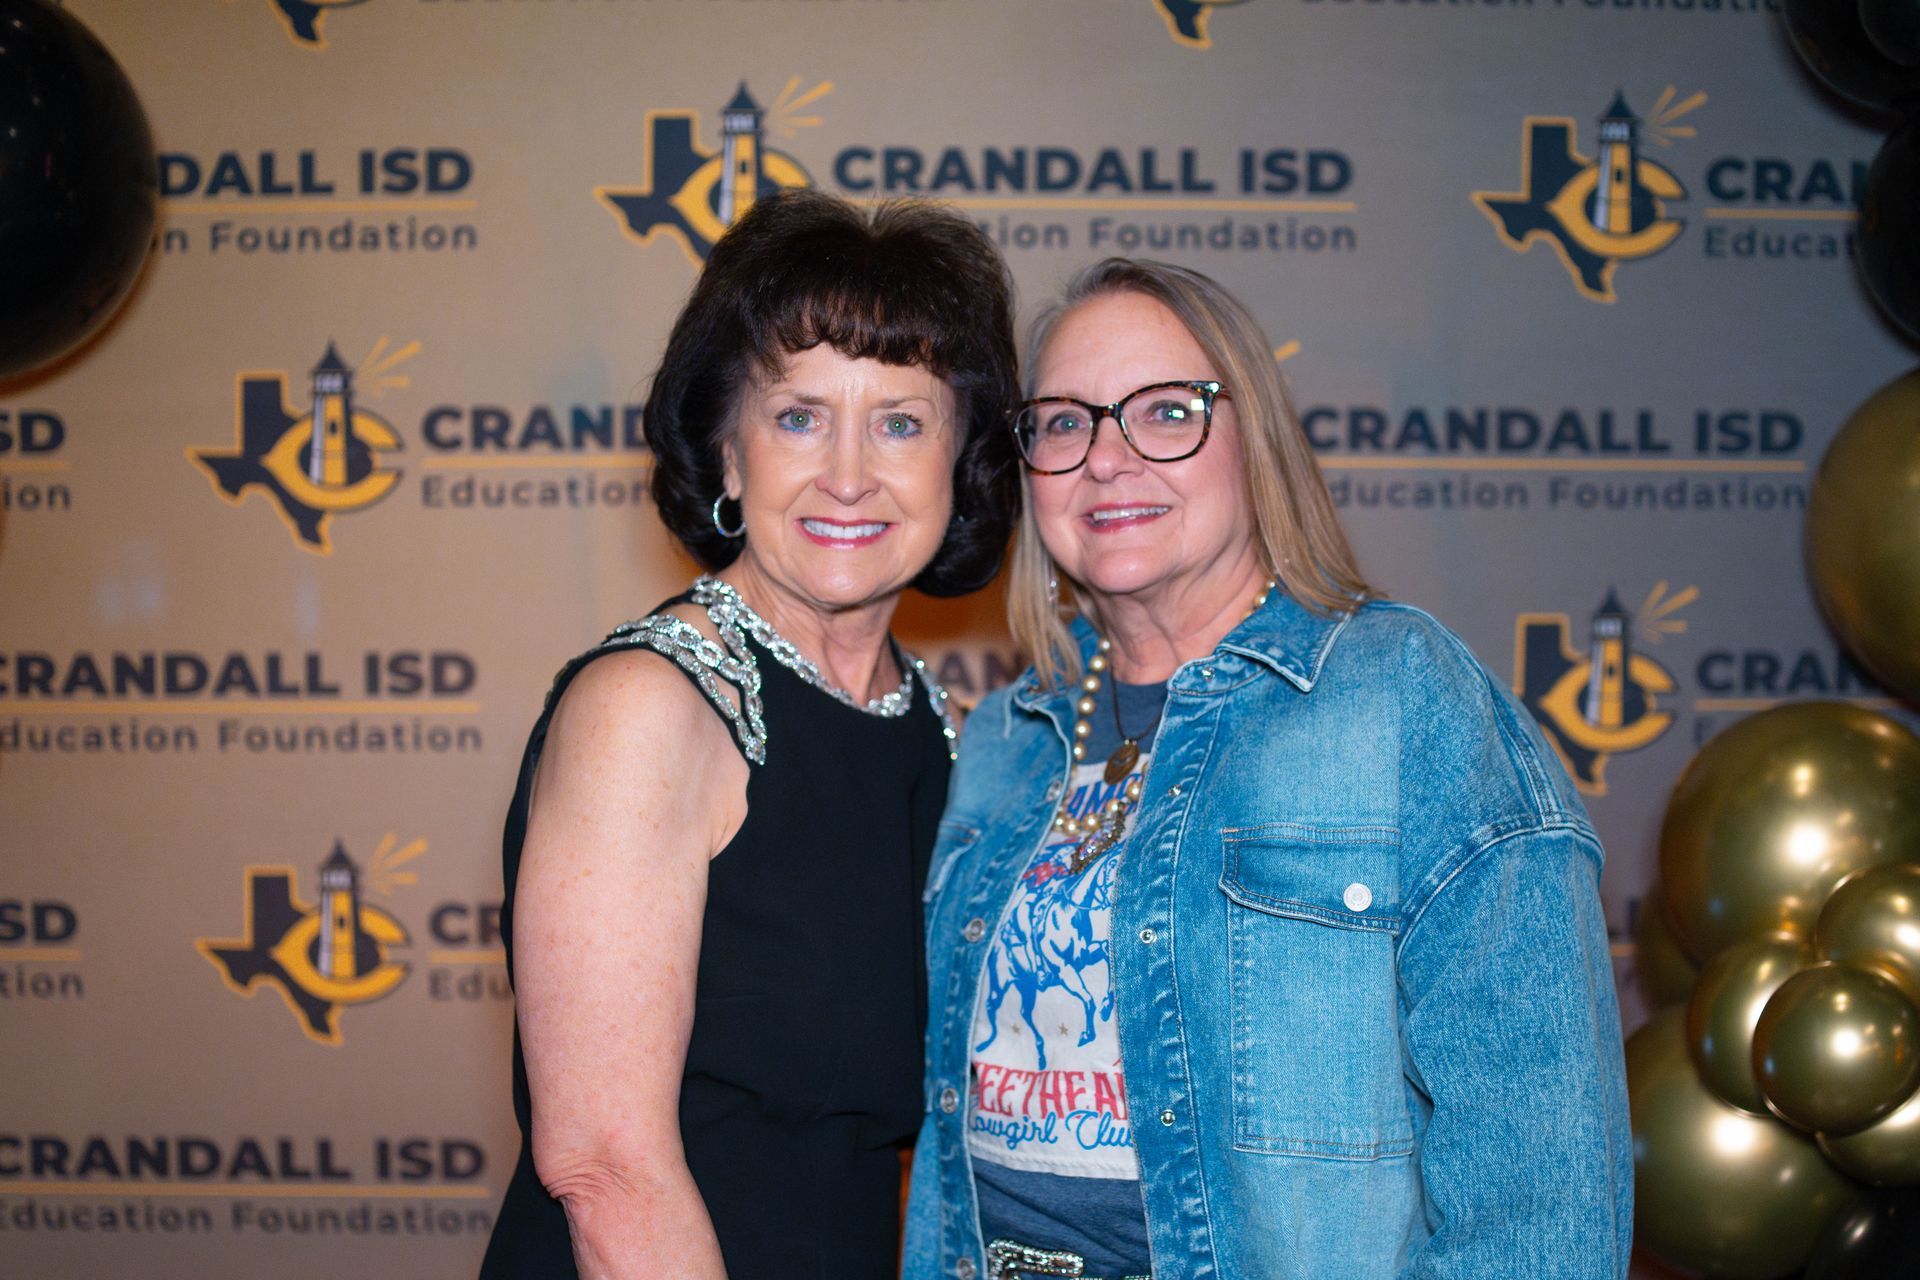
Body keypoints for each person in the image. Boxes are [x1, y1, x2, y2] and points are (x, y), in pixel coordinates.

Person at [905, 259, 1632, 1280]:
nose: (1106, 458)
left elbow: (1541, 1188)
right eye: (1064, 421)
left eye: (1166, 411)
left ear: (1257, 441)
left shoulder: (1399, 698)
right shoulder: (1006, 740)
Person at [479, 190, 1020, 1280]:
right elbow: (603, 1165)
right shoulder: (650, 706)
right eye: (799, 415)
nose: (851, 472)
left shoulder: (933, 732)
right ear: (729, 451)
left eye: (902, 421)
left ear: (960, 465)